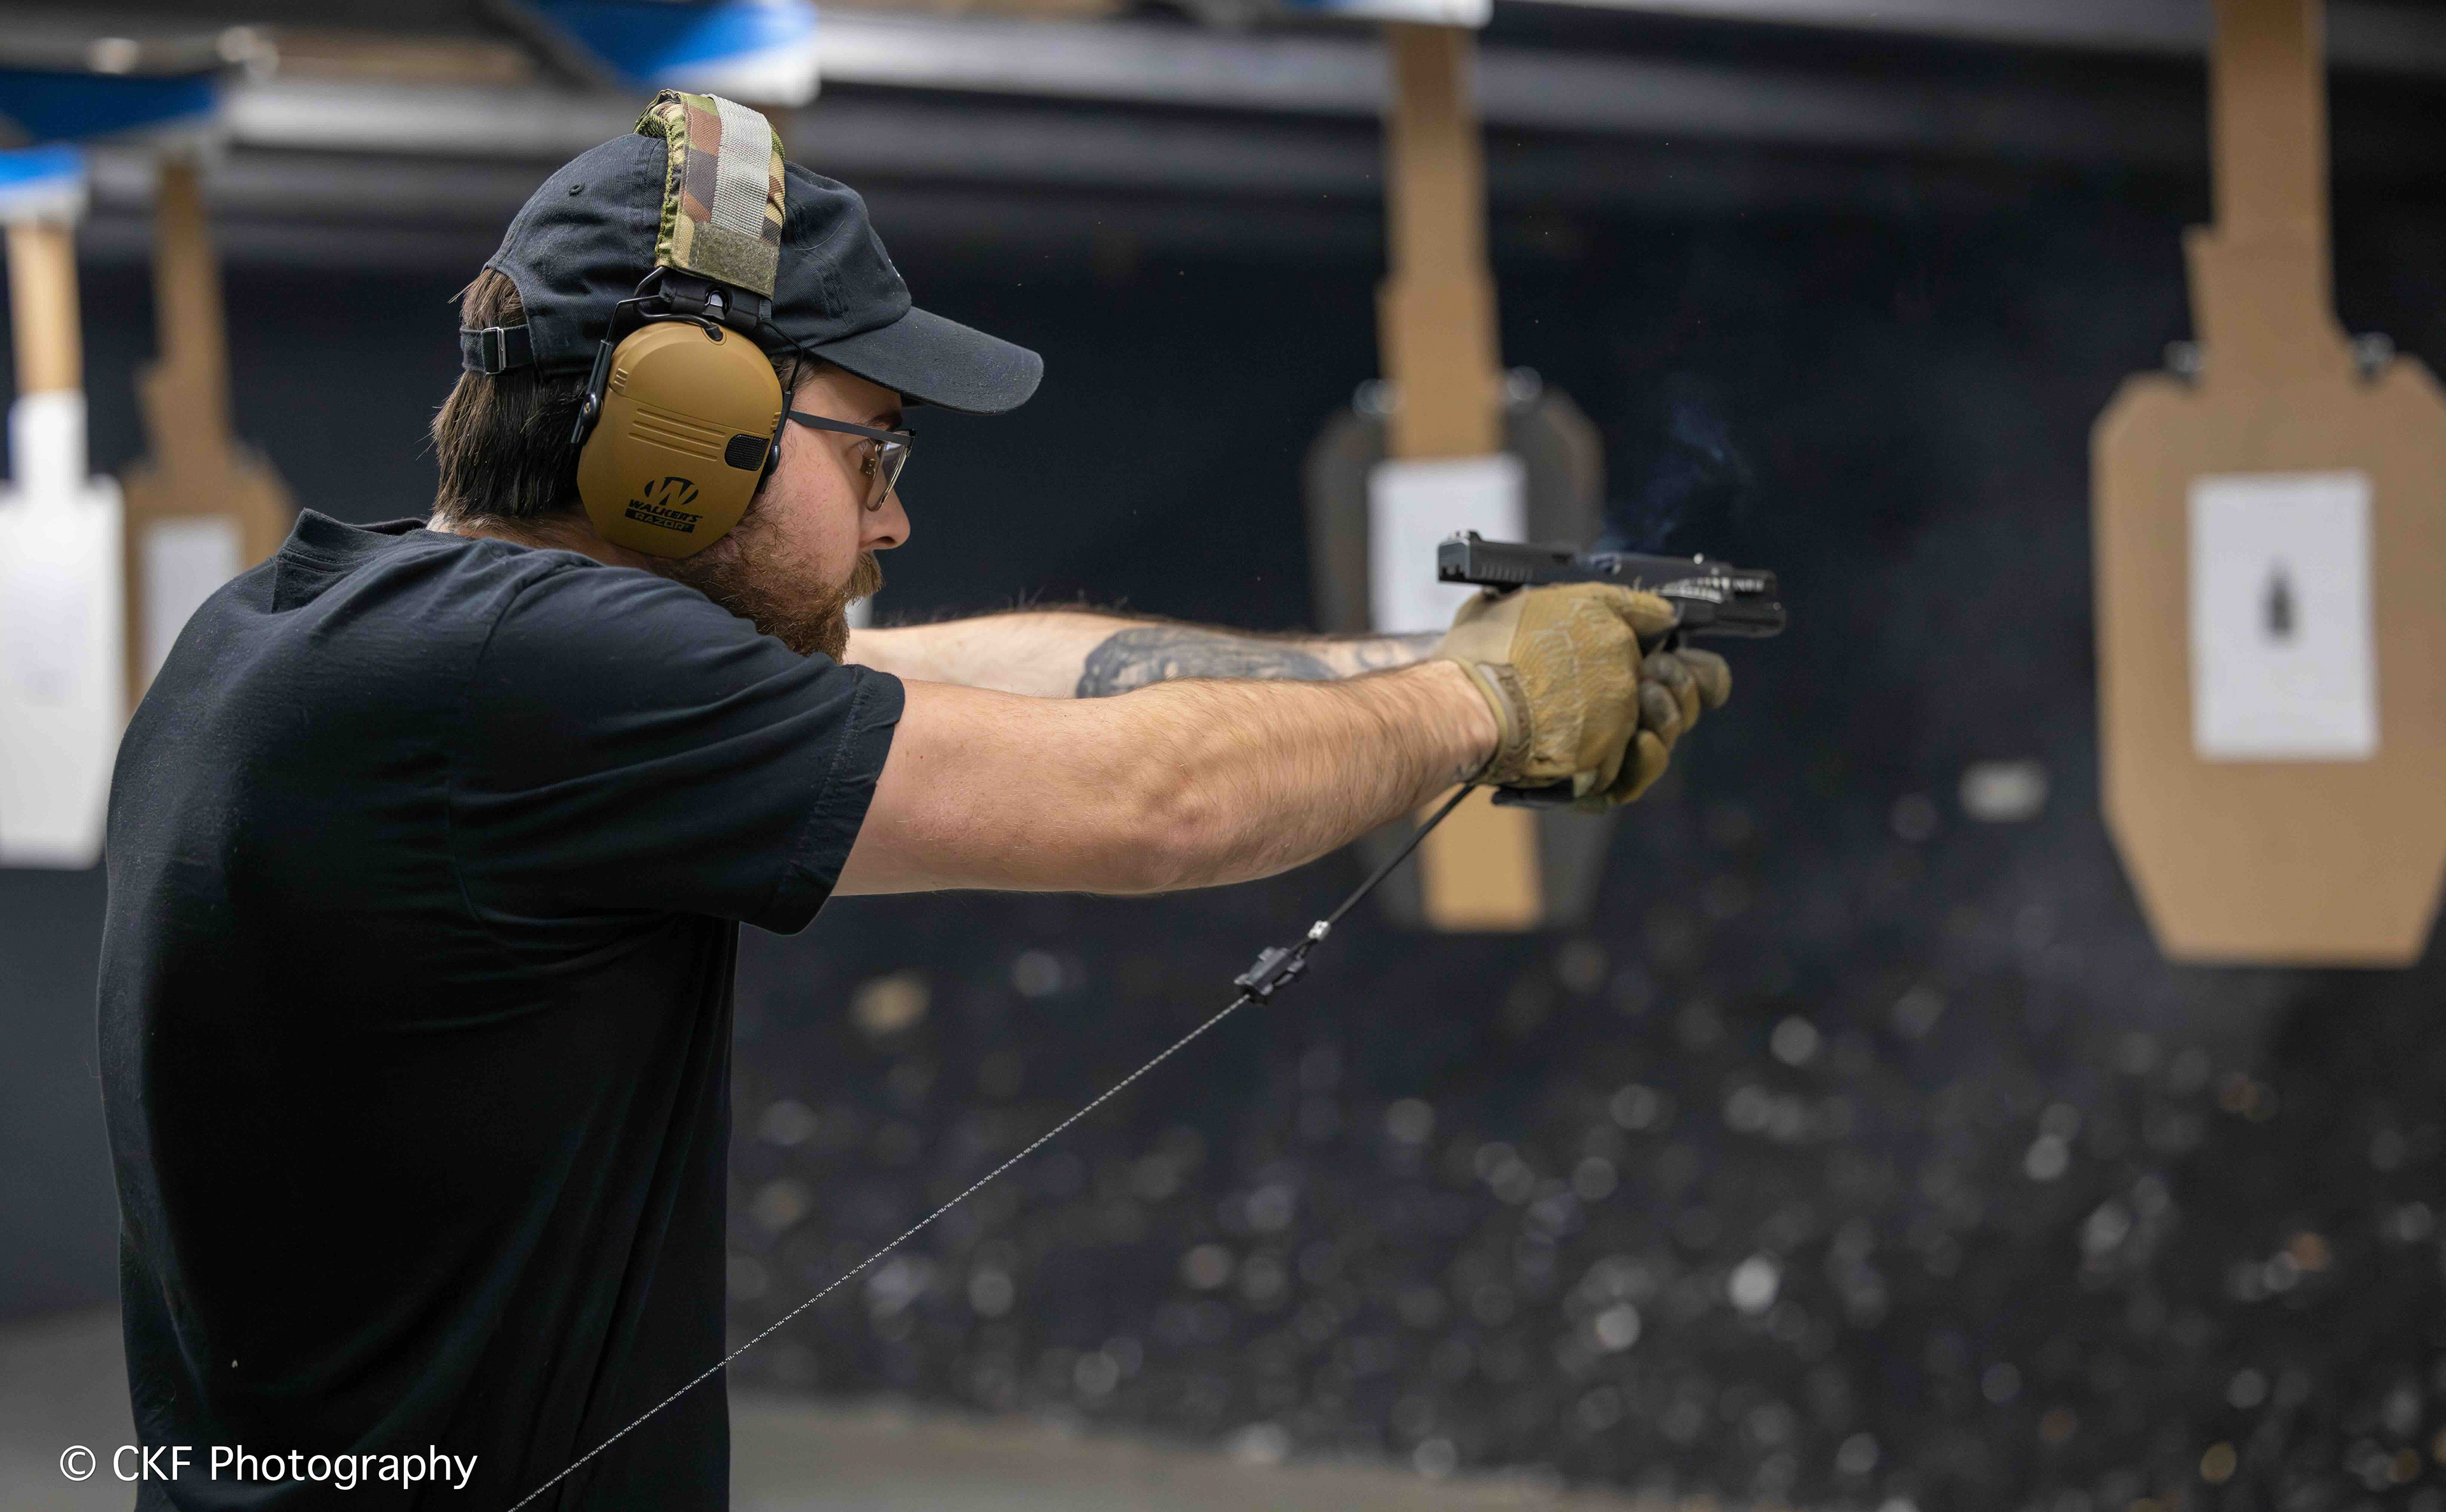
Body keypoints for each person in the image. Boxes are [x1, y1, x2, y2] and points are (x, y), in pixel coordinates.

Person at [98, 101, 1729, 1510]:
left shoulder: (340, 630)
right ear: (687, 427)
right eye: (869, 452)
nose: (888, 524)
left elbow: (987, 675)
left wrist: (1431, 663)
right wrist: (1486, 707)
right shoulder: (529, 675)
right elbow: (1154, 799)